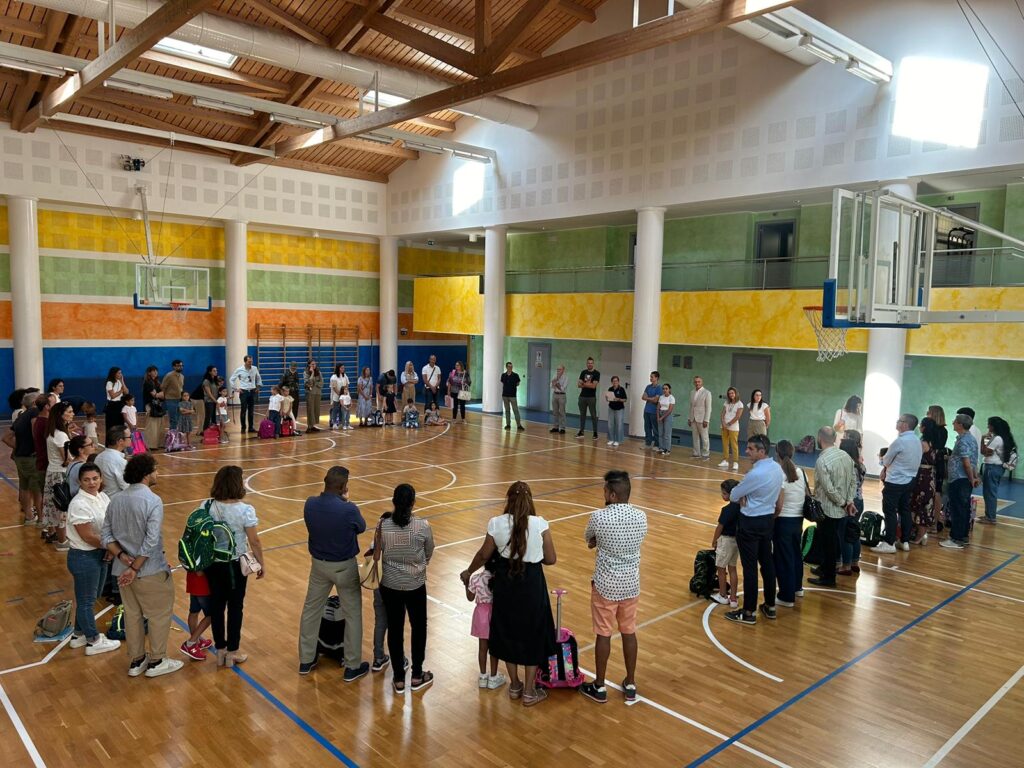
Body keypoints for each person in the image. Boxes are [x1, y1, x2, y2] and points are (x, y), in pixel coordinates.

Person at [460, 481, 557, 707]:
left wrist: (468, 571)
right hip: (531, 583)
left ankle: (515, 685)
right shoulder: (540, 524)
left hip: (506, 583)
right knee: (532, 634)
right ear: (530, 500)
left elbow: (484, 554)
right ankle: (530, 692)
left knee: (509, 632)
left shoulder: (496, 523)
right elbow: (551, 559)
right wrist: (533, 554)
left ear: (508, 500)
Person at [101, 453, 183, 678]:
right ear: (146, 474)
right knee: (158, 614)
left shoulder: (116, 499)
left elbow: (106, 534)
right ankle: (156, 661)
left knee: (132, 614)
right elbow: (151, 540)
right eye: (155, 469)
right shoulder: (152, 500)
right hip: (149, 571)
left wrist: (122, 558)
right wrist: (135, 567)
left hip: (121, 571)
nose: (158, 473)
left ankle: (137, 660)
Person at [579, 470, 648, 706]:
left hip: (605, 584)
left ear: (612, 494)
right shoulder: (641, 517)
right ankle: (630, 682)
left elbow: (589, 539)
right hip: (631, 584)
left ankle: (599, 685)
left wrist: (598, 542)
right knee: (629, 631)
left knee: (603, 633)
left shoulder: (599, 517)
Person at [297, 466, 369, 680]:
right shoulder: (348, 509)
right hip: (344, 566)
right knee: (352, 613)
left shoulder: (310, 504)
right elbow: (361, 527)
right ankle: (352, 664)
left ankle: (306, 659)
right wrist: (346, 502)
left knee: (311, 610)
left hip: (319, 565)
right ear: (343, 487)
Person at [378, 484, 435, 693]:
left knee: (395, 629)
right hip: (415, 585)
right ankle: (418, 675)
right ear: (413, 503)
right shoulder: (422, 526)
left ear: (393, 501)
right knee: (419, 628)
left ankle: (399, 678)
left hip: (390, 585)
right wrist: (418, 566)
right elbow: (429, 551)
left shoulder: (383, 525)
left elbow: (377, 550)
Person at [206, 466, 265, 667]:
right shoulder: (245, 510)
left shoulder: (206, 506)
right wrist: (260, 564)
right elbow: (254, 541)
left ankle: (220, 650)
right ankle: (233, 651)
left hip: (212, 563)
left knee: (216, 606)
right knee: (235, 607)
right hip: (235, 565)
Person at [724, 434, 784, 625]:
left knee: (750, 569)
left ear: (761, 451)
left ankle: (748, 612)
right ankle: (770, 605)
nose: (746, 451)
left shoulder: (755, 474)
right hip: (767, 521)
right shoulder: (777, 469)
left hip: (750, 523)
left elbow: (734, 495)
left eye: (750, 448)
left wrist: (744, 496)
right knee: (767, 564)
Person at [65, 462, 120, 657]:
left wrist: (109, 549)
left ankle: (78, 635)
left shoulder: (103, 496)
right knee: (87, 601)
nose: (91, 483)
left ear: (101, 479)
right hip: (84, 557)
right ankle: (93, 640)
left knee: (91, 598)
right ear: (79, 481)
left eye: (95, 478)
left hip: (100, 553)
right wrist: (113, 548)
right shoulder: (79, 504)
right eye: (87, 480)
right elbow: (88, 536)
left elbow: (109, 525)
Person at [809, 427, 857, 588]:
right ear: (835, 438)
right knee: (831, 539)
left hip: (827, 508)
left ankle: (828, 577)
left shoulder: (822, 461)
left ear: (819, 438)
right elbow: (853, 481)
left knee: (828, 542)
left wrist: (843, 502)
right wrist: (848, 501)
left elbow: (828, 488)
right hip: (841, 508)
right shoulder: (846, 456)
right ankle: (824, 567)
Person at [871, 413, 923, 554]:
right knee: (904, 509)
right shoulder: (916, 441)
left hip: (895, 481)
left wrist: (881, 460)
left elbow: (886, 461)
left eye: (899, 420)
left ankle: (889, 542)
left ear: (905, 425)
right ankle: (904, 541)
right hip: (910, 480)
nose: (897, 422)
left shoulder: (899, 442)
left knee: (890, 511)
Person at [772, 440, 806, 606]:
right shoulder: (801, 472)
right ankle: (797, 588)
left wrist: (773, 517)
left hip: (783, 520)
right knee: (795, 554)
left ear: (777, 454)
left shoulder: (779, 474)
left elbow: (779, 504)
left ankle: (786, 596)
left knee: (783, 558)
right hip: (798, 519)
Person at [465, 553, 506, 690]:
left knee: (482, 648)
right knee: (494, 648)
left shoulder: (476, 578)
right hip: (494, 614)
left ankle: (483, 676)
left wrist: (466, 583)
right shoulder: (499, 579)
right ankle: (493, 677)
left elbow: (470, 598)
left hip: (480, 615)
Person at [941, 414, 980, 550]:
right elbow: (974, 461)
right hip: (964, 479)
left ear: (960, 425)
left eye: (955, 422)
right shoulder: (971, 439)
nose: (952, 423)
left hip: (960, 479)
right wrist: (975, 477)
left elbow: (967, 462)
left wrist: (971, 478)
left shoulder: (964, 440)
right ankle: (963, 537)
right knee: (964, 508)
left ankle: (956, 539)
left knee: (958, 509)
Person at [44, 401, 75, 549]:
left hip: (52, 472)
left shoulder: (54, 432)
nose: (72, 413)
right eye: (69, 411)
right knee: (62, 506)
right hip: (60, 474)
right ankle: (62, 541)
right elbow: (66, 459)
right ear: (61, 415)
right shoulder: (61, 435)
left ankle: (55, 535)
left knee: (53, 505)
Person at [10, 393, 44, 525]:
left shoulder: (20, 416)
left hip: (20, 457)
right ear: (35, 402)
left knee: (24, 487)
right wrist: (37, 448)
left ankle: (29, 517)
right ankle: (41, 519)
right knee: (37, 490)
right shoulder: (35, 412)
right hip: (31, 457)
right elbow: (35, 432)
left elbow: (6, 437)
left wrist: (19, 447)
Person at [908, 417, 941, 545]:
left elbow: (915, 457)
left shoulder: (923, 443)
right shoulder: (935, 442)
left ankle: (920, 535)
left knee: (919, 504)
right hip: (930, 475)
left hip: (922, 475)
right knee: (926, 503)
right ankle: (921, 534)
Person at [838, 431, 865, 575]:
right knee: (854, 532)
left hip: (850, 502)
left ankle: (846, 565)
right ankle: (855, 562)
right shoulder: (861, 466)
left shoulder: (847, 467)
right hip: (860, 500)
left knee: (845, 535)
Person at [711, 479, 740, 609]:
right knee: (732, 568)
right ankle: (733, 598)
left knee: (721, 568)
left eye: (724, 493)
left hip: (726, 541)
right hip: (737, 541)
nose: (722, 496)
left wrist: (714, 540)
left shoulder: (727, 510)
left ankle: (722, 595)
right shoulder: (742, 507)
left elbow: (720, 527)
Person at [980, 417, 1016, 524]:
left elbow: (986, 452)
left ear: (993, 426)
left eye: (989, 424)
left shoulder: (997, 439)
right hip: (997, 468)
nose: (988, 427)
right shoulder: (1003, 438)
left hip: (992, 467)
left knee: (989, 492)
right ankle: (989, 515)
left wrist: (982, 439)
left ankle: (990, 517)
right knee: (990, 491)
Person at [180, 569, 214, 661]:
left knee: (194, 611)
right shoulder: (202, 553)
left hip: (193, 581)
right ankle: (191, 643)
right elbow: (200, 571)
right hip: (203, 584)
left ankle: (196, 642)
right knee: (211, 615)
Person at [229, 356, 262, 434]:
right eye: (249, 362)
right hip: (243, 392)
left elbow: (259, 378)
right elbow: (231, 379)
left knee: (251, 411)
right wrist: (236, 389)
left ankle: (251, 427)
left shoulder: (254, 368)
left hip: (253, 391)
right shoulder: (239, 369)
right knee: (243, 410)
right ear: (245, 362)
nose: (251, 363)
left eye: (251, 361)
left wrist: (258, 387)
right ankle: (243, 427)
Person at [95, 426, 130, 499]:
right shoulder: (119, 461)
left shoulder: (99, 457)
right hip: (116, 501)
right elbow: (126, 486)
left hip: (103, 499)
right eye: (129, 437)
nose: (131, 439)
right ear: (120, 441)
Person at [719, 387, 744, 470]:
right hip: (724, 425)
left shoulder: (740, 404)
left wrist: (729, 424)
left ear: (736, 394)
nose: (731, 395)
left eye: (732, 393)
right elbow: (722, 414)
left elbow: (738, 416)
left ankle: (735, 462)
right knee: (725, 443)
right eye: (729, 393)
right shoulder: (726, 402)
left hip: (733, 427)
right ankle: (725, 460)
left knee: (734, 444)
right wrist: (723, 423)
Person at [688, 376, 713, 459]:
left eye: (699, 381)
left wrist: (706, 419)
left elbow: (708, 408)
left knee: (704, 437)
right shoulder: (692, 392)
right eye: (695, 382)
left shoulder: (707, 393)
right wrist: (689, 418)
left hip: (702, 419)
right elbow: (691, 406)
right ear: (693, 383)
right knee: (695, 436)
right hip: (693, 418)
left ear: (702, 382)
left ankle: (705, 454)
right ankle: (696, 453)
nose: (697, 383)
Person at [141, 365, 165, 450]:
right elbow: (155, 394)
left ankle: (159, 443)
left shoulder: (157, 382)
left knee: (160, 425)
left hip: (158, 405)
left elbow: (163, 394)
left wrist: (159, 394)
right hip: (150, 406)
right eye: (153, 371)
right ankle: (150, 445)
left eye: (156, 371)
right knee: (152, 426)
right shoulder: (148, 382)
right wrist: (159, 394)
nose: (155, 372)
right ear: (149, 372)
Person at [576, 357, 600, 439]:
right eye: (588, 363)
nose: (590, 364)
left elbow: (593, 386)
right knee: (582, 415)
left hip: (591, 398)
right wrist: (587, 384)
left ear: (593, 364)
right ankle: (581, 432)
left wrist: (584, 383)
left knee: (593, 415)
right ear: (586, 364)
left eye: (591, 363)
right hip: (582, 397)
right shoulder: (583, 372)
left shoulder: (597, 373)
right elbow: (578, 385)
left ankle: (595, 433)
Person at [160, 360, 185, 431]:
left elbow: (181, 388)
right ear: (174, 367)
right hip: (170, 400)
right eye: (178, 366)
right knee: (173, 419)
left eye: (181, 366)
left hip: (179, 399)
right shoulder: (169, 375)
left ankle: (176, 435)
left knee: (179, 419)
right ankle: (172, 437)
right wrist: (164, 397)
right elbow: (163, 387)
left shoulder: (182, 376)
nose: (180, 367)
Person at [501, 362, 524, 431]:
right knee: (507, 410)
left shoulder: (515, 375)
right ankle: (508, 424)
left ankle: (519, 425)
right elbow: (503, 382)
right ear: (506, 367)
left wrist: (512, 387)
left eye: (511, 367)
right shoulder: (503, 375)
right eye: (509, 366)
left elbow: (518, 383)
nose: (510, 368)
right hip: (505, 395)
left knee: (515, 410)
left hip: (513, 396)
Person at [640, 371, 661, 449]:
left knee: (655, 428)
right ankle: (648, 443)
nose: (650, 378)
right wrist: (651, 398)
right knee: (647, 428)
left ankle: (657, 444)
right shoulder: (648, 386)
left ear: (656, 378)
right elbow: (643, 397)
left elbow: (656, 400)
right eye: (650, 377)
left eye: (652, 377)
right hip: (646, 410)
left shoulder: (659, 388)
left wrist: (648, 398)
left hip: (654, 411)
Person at [606, 376, 627, 447]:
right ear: (612, 382)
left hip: (619, 409)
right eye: (613, 381)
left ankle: (618, 440)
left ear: (618, 382)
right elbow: (608, 399)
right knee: (610, 424)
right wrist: (607, 398)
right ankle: (611, 439)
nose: (615, 382)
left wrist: (618, 399)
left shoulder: (621, 389)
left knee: (619, 425)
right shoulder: (610, 389)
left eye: (616, 381)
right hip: (611, 408)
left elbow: (625, 399)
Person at [304, 360, 323, 432]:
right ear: (309, 365)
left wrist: (314, 383)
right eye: (312, 364)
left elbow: (321, 383)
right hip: (310, 393)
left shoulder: (319, 372)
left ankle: (313, 425)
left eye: (315, 364)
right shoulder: (306, 373)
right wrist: (312, 374)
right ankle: (309, 426)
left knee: (316, 410)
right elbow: (308, 383)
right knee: (310, 410)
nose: (314, 365)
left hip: (318, 393)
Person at [330, 364, 349, 430]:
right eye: (341, 368)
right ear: (338, 369)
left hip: (343, 397)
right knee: (335, 409)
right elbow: (334, 387)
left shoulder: (345, 376)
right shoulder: (334, 377)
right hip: (336, 396)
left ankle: (341, 423)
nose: (343, 369)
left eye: (344, 368)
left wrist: (345, 394)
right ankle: (334, 423)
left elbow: (346, 385)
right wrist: (340, 394)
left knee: (342, 410)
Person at [657, 383, 675, 455]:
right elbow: (658, 407)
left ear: (669, 389)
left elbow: (670, 410)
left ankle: (667, 449)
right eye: (663, 389)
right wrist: (658, 417)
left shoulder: (671, 398)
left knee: (667, 433)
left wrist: (662, 417)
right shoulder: (661, 397)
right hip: (660, 414)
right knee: (660, 433)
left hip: (667, 415)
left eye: (666, 388)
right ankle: (661, 448)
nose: (664, 390)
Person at [550, 365, 568, 434]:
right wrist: (554, 383)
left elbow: (563, 388)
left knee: (562, 412)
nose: (558, 371)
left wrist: (556, 383)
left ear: (563, 370)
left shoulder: (566, 378)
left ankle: (563, 428)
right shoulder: (555, 375)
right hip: (554, 394)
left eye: (559, 370)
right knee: (555, 412)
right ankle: (556, 427)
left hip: (562, 395)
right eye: (557, 369)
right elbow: (551, 385)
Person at [201, 366, 219, 431]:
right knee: (208, 417)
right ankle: (205, 431)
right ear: (209, 372)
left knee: (214, 417)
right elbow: (209, 394)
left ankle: (214, 431)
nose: (216, 372)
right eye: (214, 371)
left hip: (214, 401)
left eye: (216, 370)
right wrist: (216, 401)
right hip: (209, 402)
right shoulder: (206, 381)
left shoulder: (214, 380)